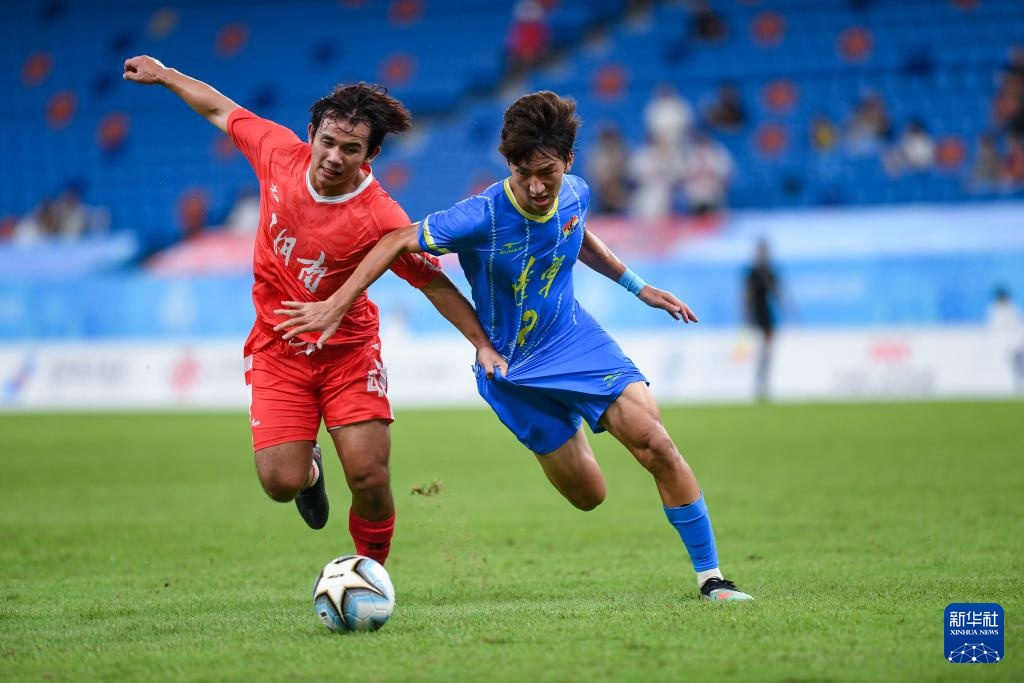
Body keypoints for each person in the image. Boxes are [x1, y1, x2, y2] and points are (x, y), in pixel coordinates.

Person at [274, 92, 753, 602]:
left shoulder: (576, 192)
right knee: (589, 495)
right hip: (510, 369)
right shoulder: (478, 216)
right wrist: (337, 304)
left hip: (573, 340)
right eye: (524, 173)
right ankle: (570, 417)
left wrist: (639, 287)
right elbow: (394, 242)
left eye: (548, 172)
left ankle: (712, 579)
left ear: (568, 161)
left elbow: (577, 233)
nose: (537, 186)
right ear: (508, 164)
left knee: (655, 443)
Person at [122, 55, 504, 566]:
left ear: (370, 155)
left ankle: (370, 576)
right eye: (327, 142)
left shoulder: (380, 216)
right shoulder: (277, 152)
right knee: (280, 482)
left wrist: (481, 344)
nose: (333, 157)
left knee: (369, 477)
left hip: (348, 353)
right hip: (278, 348)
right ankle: (310, 473)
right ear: (311, 134)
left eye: (351, 148)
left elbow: (432, 282)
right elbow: (219, 109)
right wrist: (165, 74)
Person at [743, 239, 780, 402]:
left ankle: (763, 384)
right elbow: (748, 296)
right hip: (757, 313)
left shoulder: (769, 272)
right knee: (759, 351)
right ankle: (758, 384)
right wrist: (747, 316)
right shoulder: (753, 273)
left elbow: (776, 293)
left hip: (767, 314)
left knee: (767, 351)